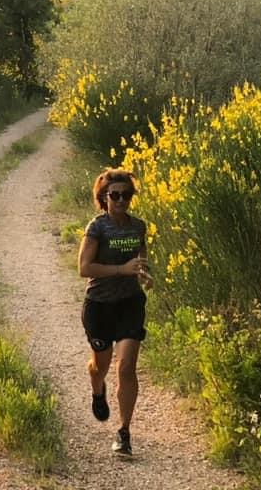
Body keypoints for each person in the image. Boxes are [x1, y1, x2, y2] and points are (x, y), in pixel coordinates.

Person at [78, 168, 152, 457]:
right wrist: (121, 270)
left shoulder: (138, 227)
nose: (121, 200)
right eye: (115, 195)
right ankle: (97, 389)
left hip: (130, 303)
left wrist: (144, 273)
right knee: (101, 366)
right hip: (99, 306)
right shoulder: (97, 228)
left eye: (127, 195)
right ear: (104, 198)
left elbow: (141, 257)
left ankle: (124, 432)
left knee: (127, 367)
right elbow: (84, 268)